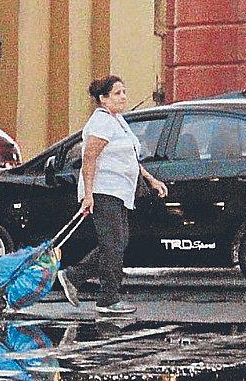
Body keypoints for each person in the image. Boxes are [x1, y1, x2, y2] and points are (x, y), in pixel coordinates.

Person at [58, 75, 169, 315]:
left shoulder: (117, 121)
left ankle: (73, 276)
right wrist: (88, 195)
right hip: (103, 190)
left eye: (124, 92)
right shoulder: (101, 123)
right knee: (114, 244)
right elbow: (89, 158)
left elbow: (129, 157)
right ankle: (108, 299)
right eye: (117, 93)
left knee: (117, 242)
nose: (123, 97)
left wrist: (151, 179)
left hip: (119, 191)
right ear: (103, 98)